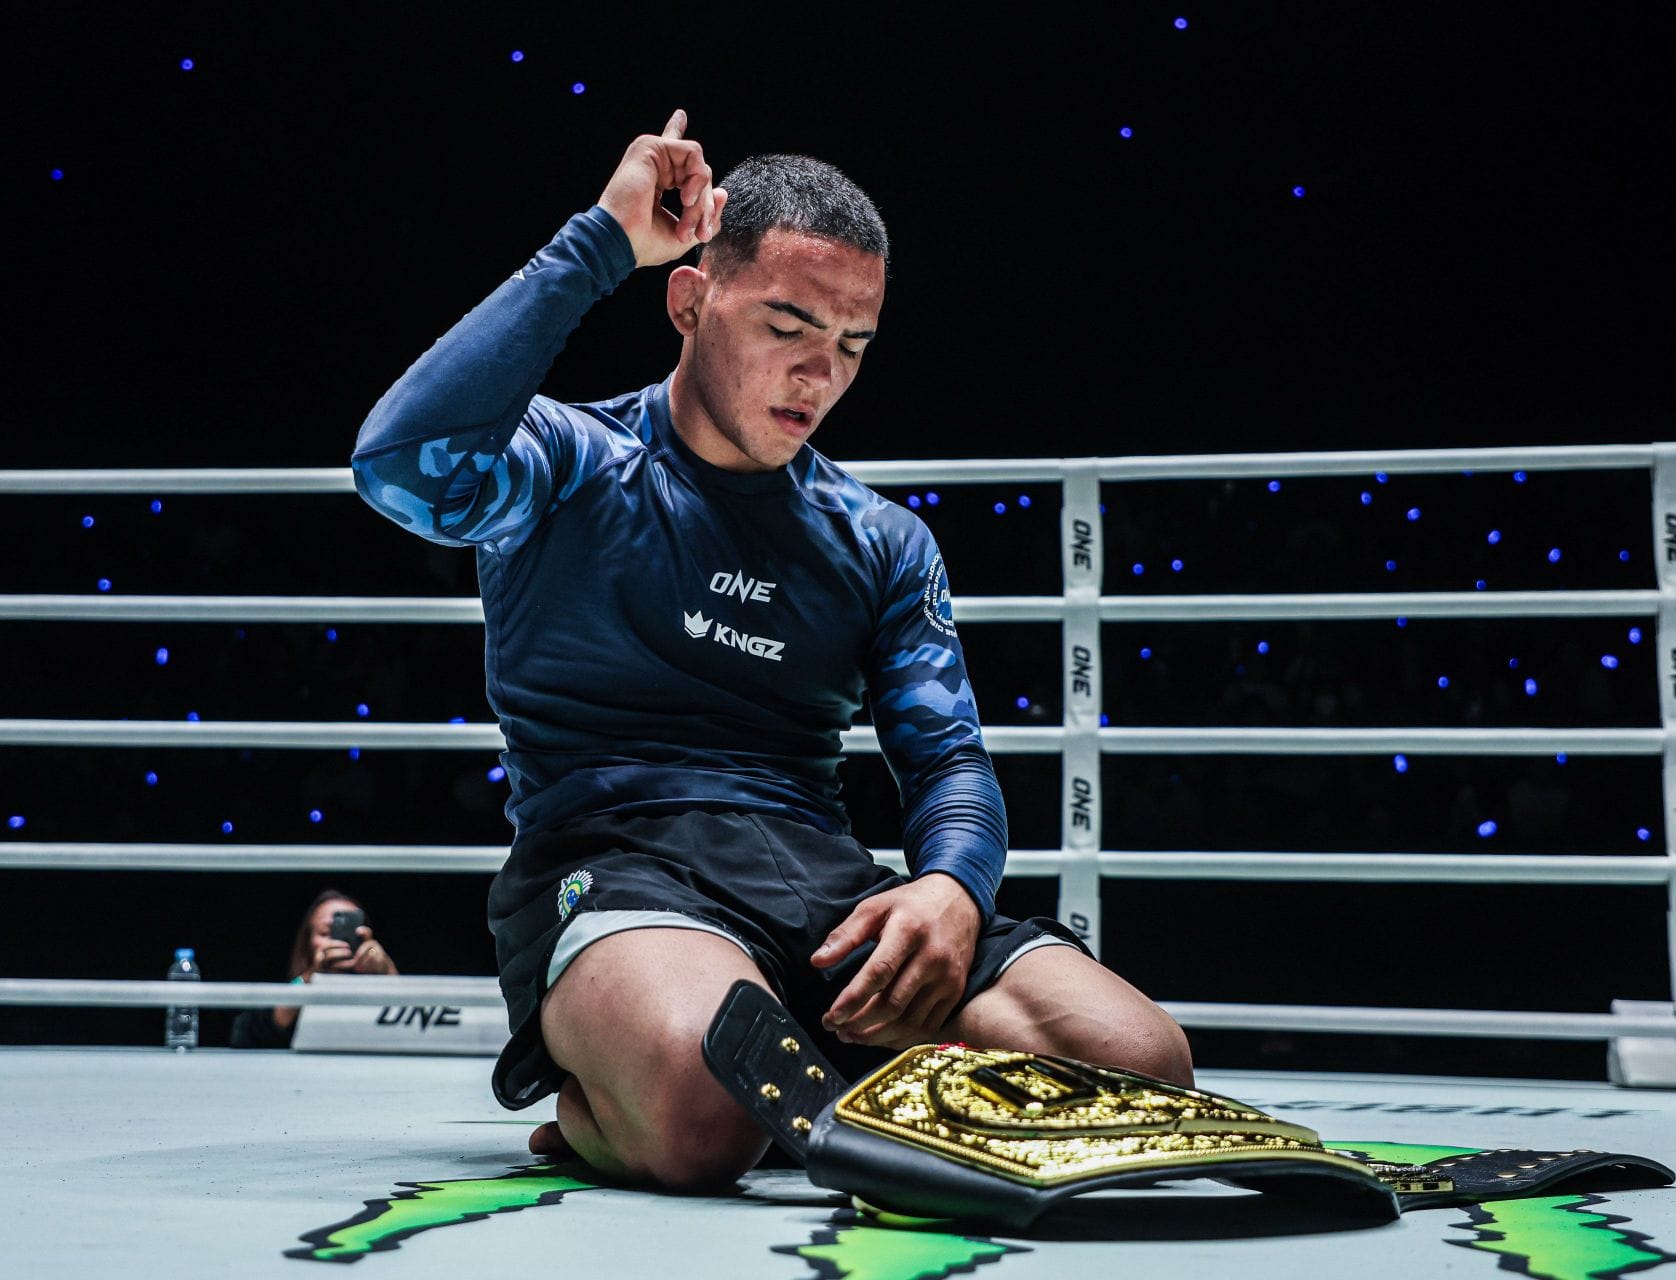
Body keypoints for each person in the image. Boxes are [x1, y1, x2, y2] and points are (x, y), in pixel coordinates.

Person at [349, 109, 1191, 1190]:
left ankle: (789, 1064)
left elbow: (948, 762)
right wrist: (597, 243)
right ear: (690, 302)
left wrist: (952, 889)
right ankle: (604, 1099)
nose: (818, 375)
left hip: (819, 887)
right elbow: (398, 464)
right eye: (787, 325)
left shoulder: (882, 539)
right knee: (703, 1117)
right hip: (615, 871)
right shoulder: (572, 462)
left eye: (852, 346)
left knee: (1142, 1066)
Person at [229, 888, 398, 1048]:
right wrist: (312, 976)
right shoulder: (299, 985)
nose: (338, 941)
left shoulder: (380, 986)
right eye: (325, 933)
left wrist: (387, 970)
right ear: (308, 942)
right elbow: (245, 1034)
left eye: (352, 933)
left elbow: (408, 1026)